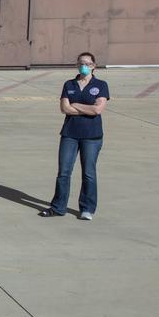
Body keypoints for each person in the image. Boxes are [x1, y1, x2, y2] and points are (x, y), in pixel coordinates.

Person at [39, 52, 109, 220]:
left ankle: (87, 208)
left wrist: (76, 105)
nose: (83, 66)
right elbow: (65, 108)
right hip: (70, 134)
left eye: (87, 63)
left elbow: (98, 110)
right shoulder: (69, 84)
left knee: (88, 173)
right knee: (64, 172)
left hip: (92, 136)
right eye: (80, 63)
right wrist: (86, 108)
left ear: (93, 66)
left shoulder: (101, 85)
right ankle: (58, 207)